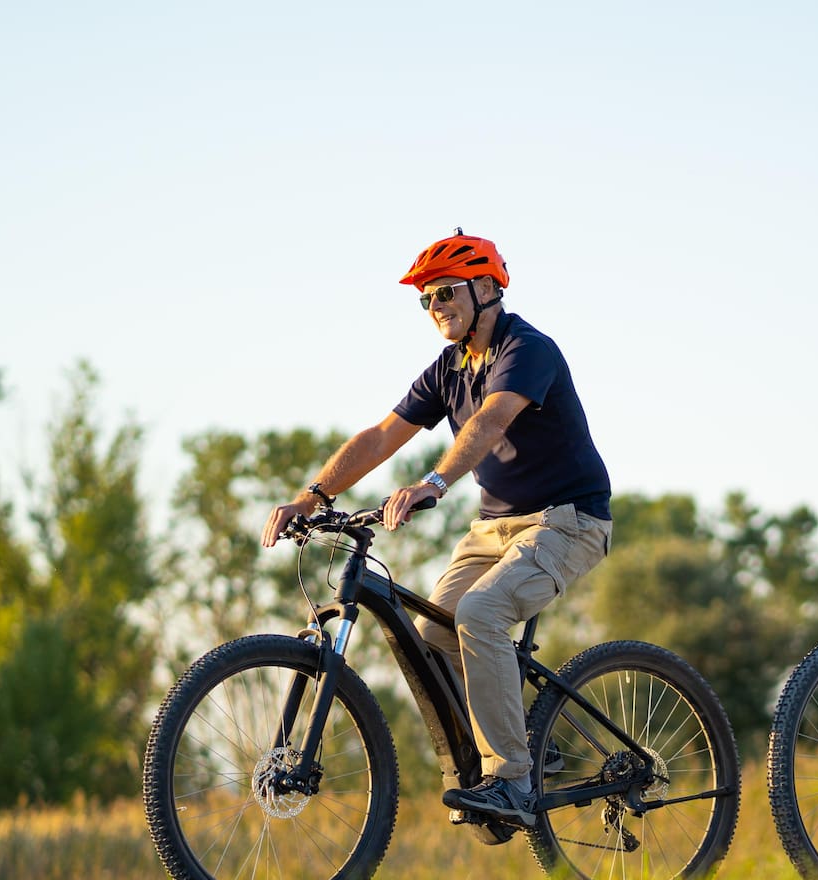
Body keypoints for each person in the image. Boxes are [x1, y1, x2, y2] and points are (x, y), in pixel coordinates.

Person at [260, 231, 612, 830]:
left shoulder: (526, 349)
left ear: (485, 288)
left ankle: (511, 778)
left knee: (480, 613)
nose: (436, 308)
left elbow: (490, 420)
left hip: (568, 520)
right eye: (426, 301)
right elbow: (380, 436)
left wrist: (434, 482)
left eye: (445, 293)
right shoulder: (448, 368)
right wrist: (313, 495)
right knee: (430, 634)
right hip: (495, 528)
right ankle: (509, 749)